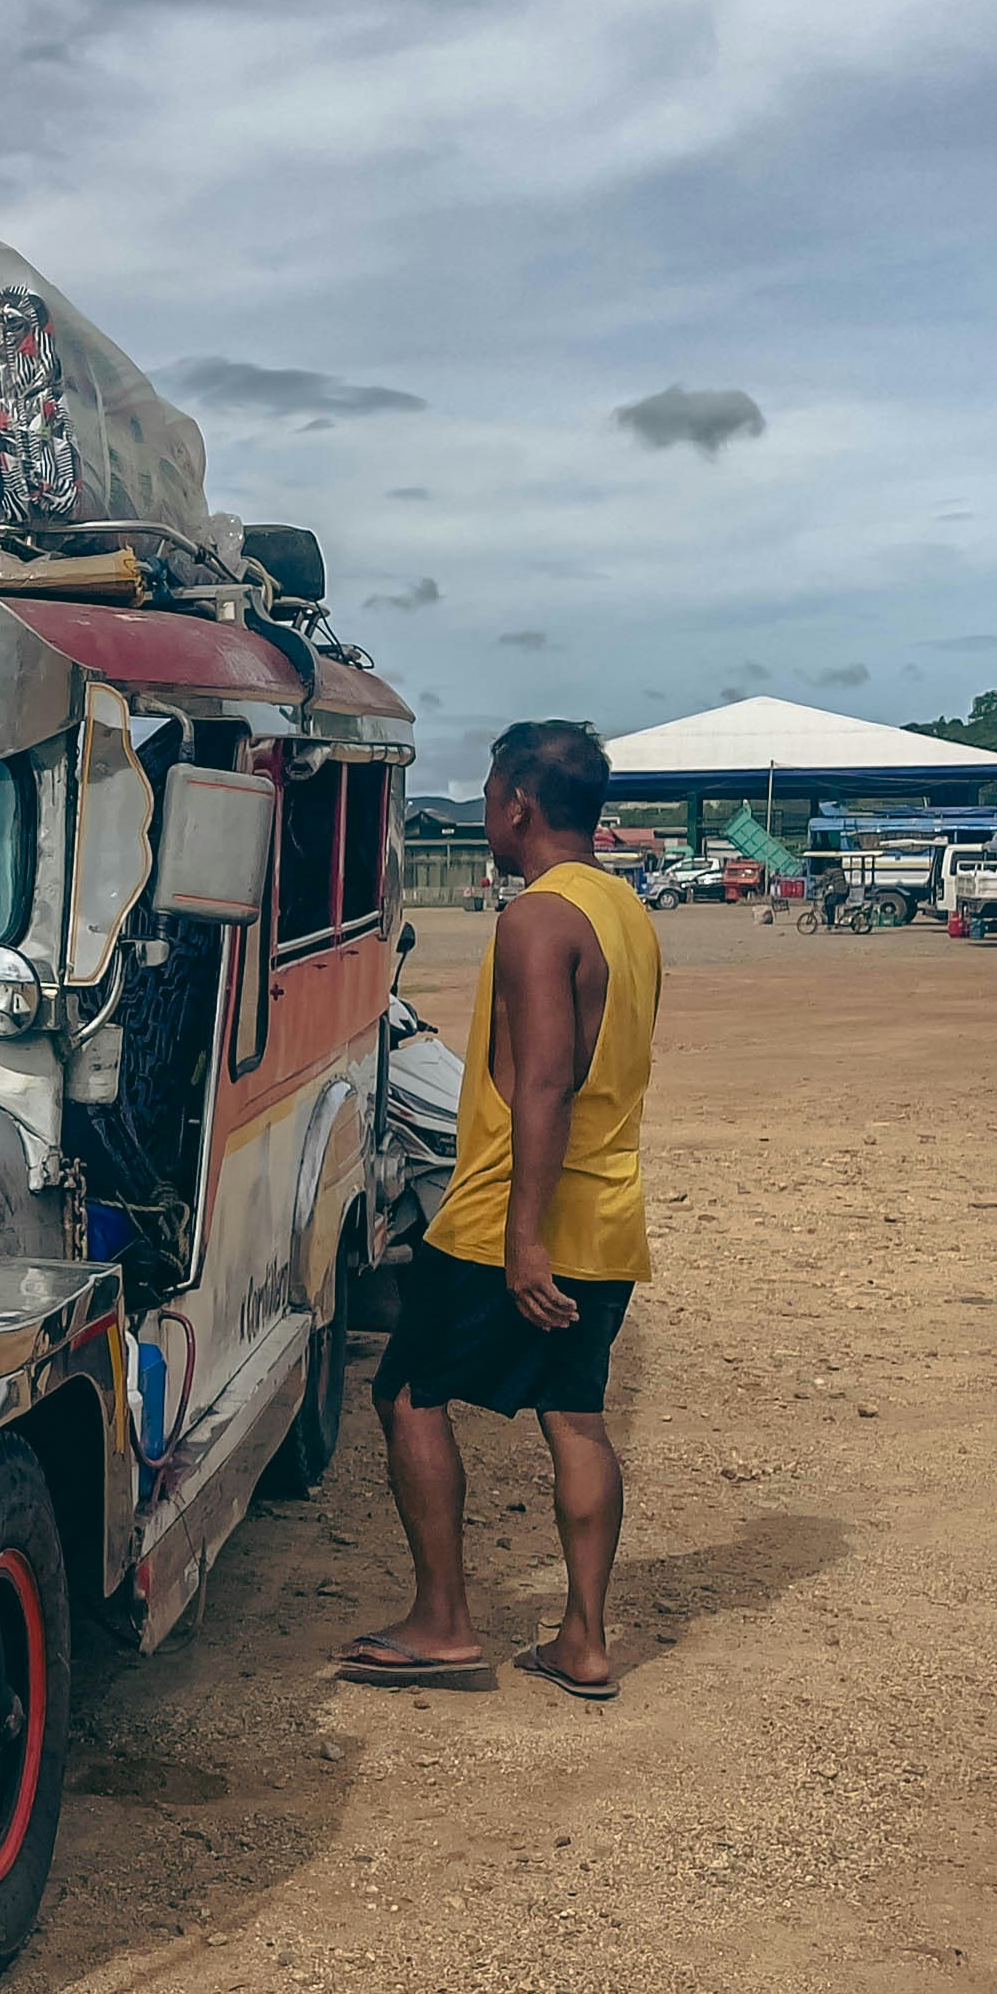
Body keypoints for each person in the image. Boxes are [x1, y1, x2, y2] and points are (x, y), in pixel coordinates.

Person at [341, 719, 662, 1701]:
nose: (484, 812)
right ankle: (584, 1641)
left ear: (517, 802)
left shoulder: (535, 918)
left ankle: (442, 1621)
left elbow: (545, 1080)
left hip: (505, 1215)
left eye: (486, 795)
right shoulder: (626, 911)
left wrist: (523, 1241)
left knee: (407, 1393)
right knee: (575, 1414)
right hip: (608, 1211)